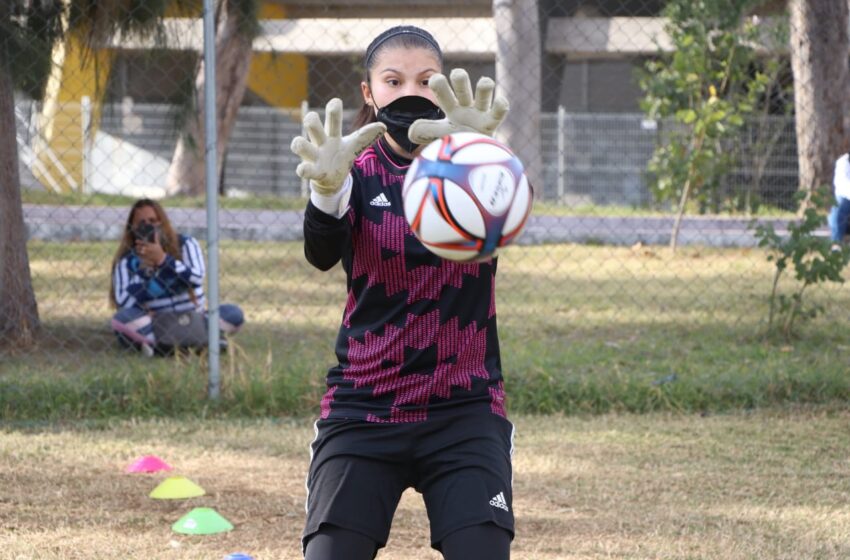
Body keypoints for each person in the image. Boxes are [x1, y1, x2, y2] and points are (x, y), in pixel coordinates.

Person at [290, 25, 515, 560]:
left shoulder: (471, 169)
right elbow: (321, 255)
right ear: (369, 92)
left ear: (442, 89)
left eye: (425, 79)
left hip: (464, 407)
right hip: (363, 407)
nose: (409, 90)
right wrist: (325, 194)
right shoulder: (352, 172)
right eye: (393, 80)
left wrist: (478, 158)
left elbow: (487, 249)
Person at [109, 198, 244, 356]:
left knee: (234, 313)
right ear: (132, 228)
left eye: (152, 220)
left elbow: (196, 278)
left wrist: (162, 260)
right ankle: (196, 343)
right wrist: (146, 271)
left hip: (194, 317)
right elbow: (123, 301)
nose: (147, 226)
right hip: (156, 322)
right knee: (122, 319)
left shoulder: (186, 244)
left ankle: (164, 347)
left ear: (162, 222)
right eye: (141, 223)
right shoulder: (127, 261)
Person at [829, 152, 850, 250]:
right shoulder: (843, 162)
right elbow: (843, 187)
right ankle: (836, 243)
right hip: (847, 200)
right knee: (840, 204)